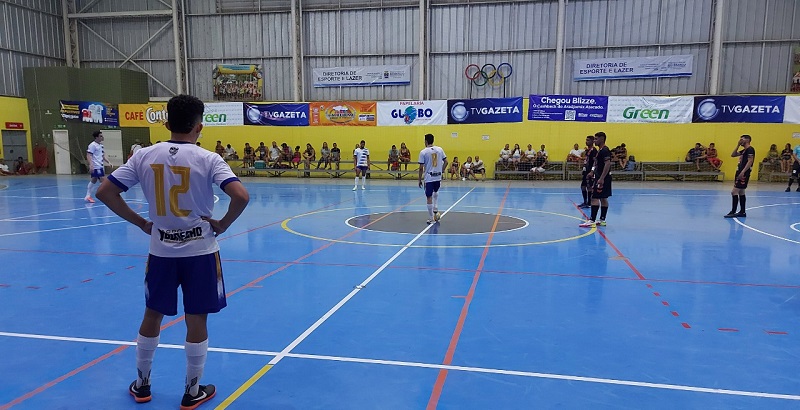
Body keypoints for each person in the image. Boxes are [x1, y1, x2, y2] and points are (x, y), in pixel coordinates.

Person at [96, 94, 249, 410]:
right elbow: (241, 196)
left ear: (166, 123)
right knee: (197, 318)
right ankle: (192, 391)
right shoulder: (209, 159)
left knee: (152, 313)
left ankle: (142, 384)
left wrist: (141, 223)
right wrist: (223, 224)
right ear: (199, 126)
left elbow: (105, 191)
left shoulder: (144, 156)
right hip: (201, 252)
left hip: (161, 253)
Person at [580, 132, 611, 227]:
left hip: (602, 178)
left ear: (602, 139)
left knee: (594, 198)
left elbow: (607, 164)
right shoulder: (600, 151)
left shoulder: (604, 150)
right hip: (601, 176)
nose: (594, 141)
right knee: (603, 198)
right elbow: (596, 163)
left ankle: (592, 220)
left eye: (596, 139)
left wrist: (601, 178)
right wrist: (592, 172)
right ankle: (602, 220)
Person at [418, 133, 448, 224]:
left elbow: (421, 167)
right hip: (438, 176)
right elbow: (446, 161)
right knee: (436, 191)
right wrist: (442, 170)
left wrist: (419, 179)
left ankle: (431, 218)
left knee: (429, 196)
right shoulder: (440, 149)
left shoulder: (423, 152)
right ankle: (435, 207)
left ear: (426, 141)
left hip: (429, 177)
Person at [724, 135, 755, 218]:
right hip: (739, 172)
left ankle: (733, 211)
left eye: (742, 139)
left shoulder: (750, 149)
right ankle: (742, 212)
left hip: (743, 173)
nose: (740, 140)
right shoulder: (744, 150)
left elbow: (750, 161)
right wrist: (738, 145)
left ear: (747, 140)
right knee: (741, 192)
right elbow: (733, 155)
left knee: (734, 192)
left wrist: (743, 172)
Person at [85, 131, 111, 203]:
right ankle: (103, 195)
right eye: (100, 136)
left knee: (94, 180)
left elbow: (102, 156)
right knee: (103, 180)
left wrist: (108, 162)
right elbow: (89, 155)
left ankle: (88, 196)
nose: (102, 137)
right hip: (96, 166)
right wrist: (91, 165)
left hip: (100, 165)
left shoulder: (101, 145)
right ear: (96, 137)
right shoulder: (92, 145)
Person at [578, 135, 596, 209]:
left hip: (590, 172)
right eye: (586, 140)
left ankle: (589, 203)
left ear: (592, 141)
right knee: (583, 186)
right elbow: (586, 160)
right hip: (586, 171)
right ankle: (585, 201)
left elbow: (595, 161)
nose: (586, 142)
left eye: (588, 140)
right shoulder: (587, 151)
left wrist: (592, 171)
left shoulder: (594, 150)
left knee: (589, 187)